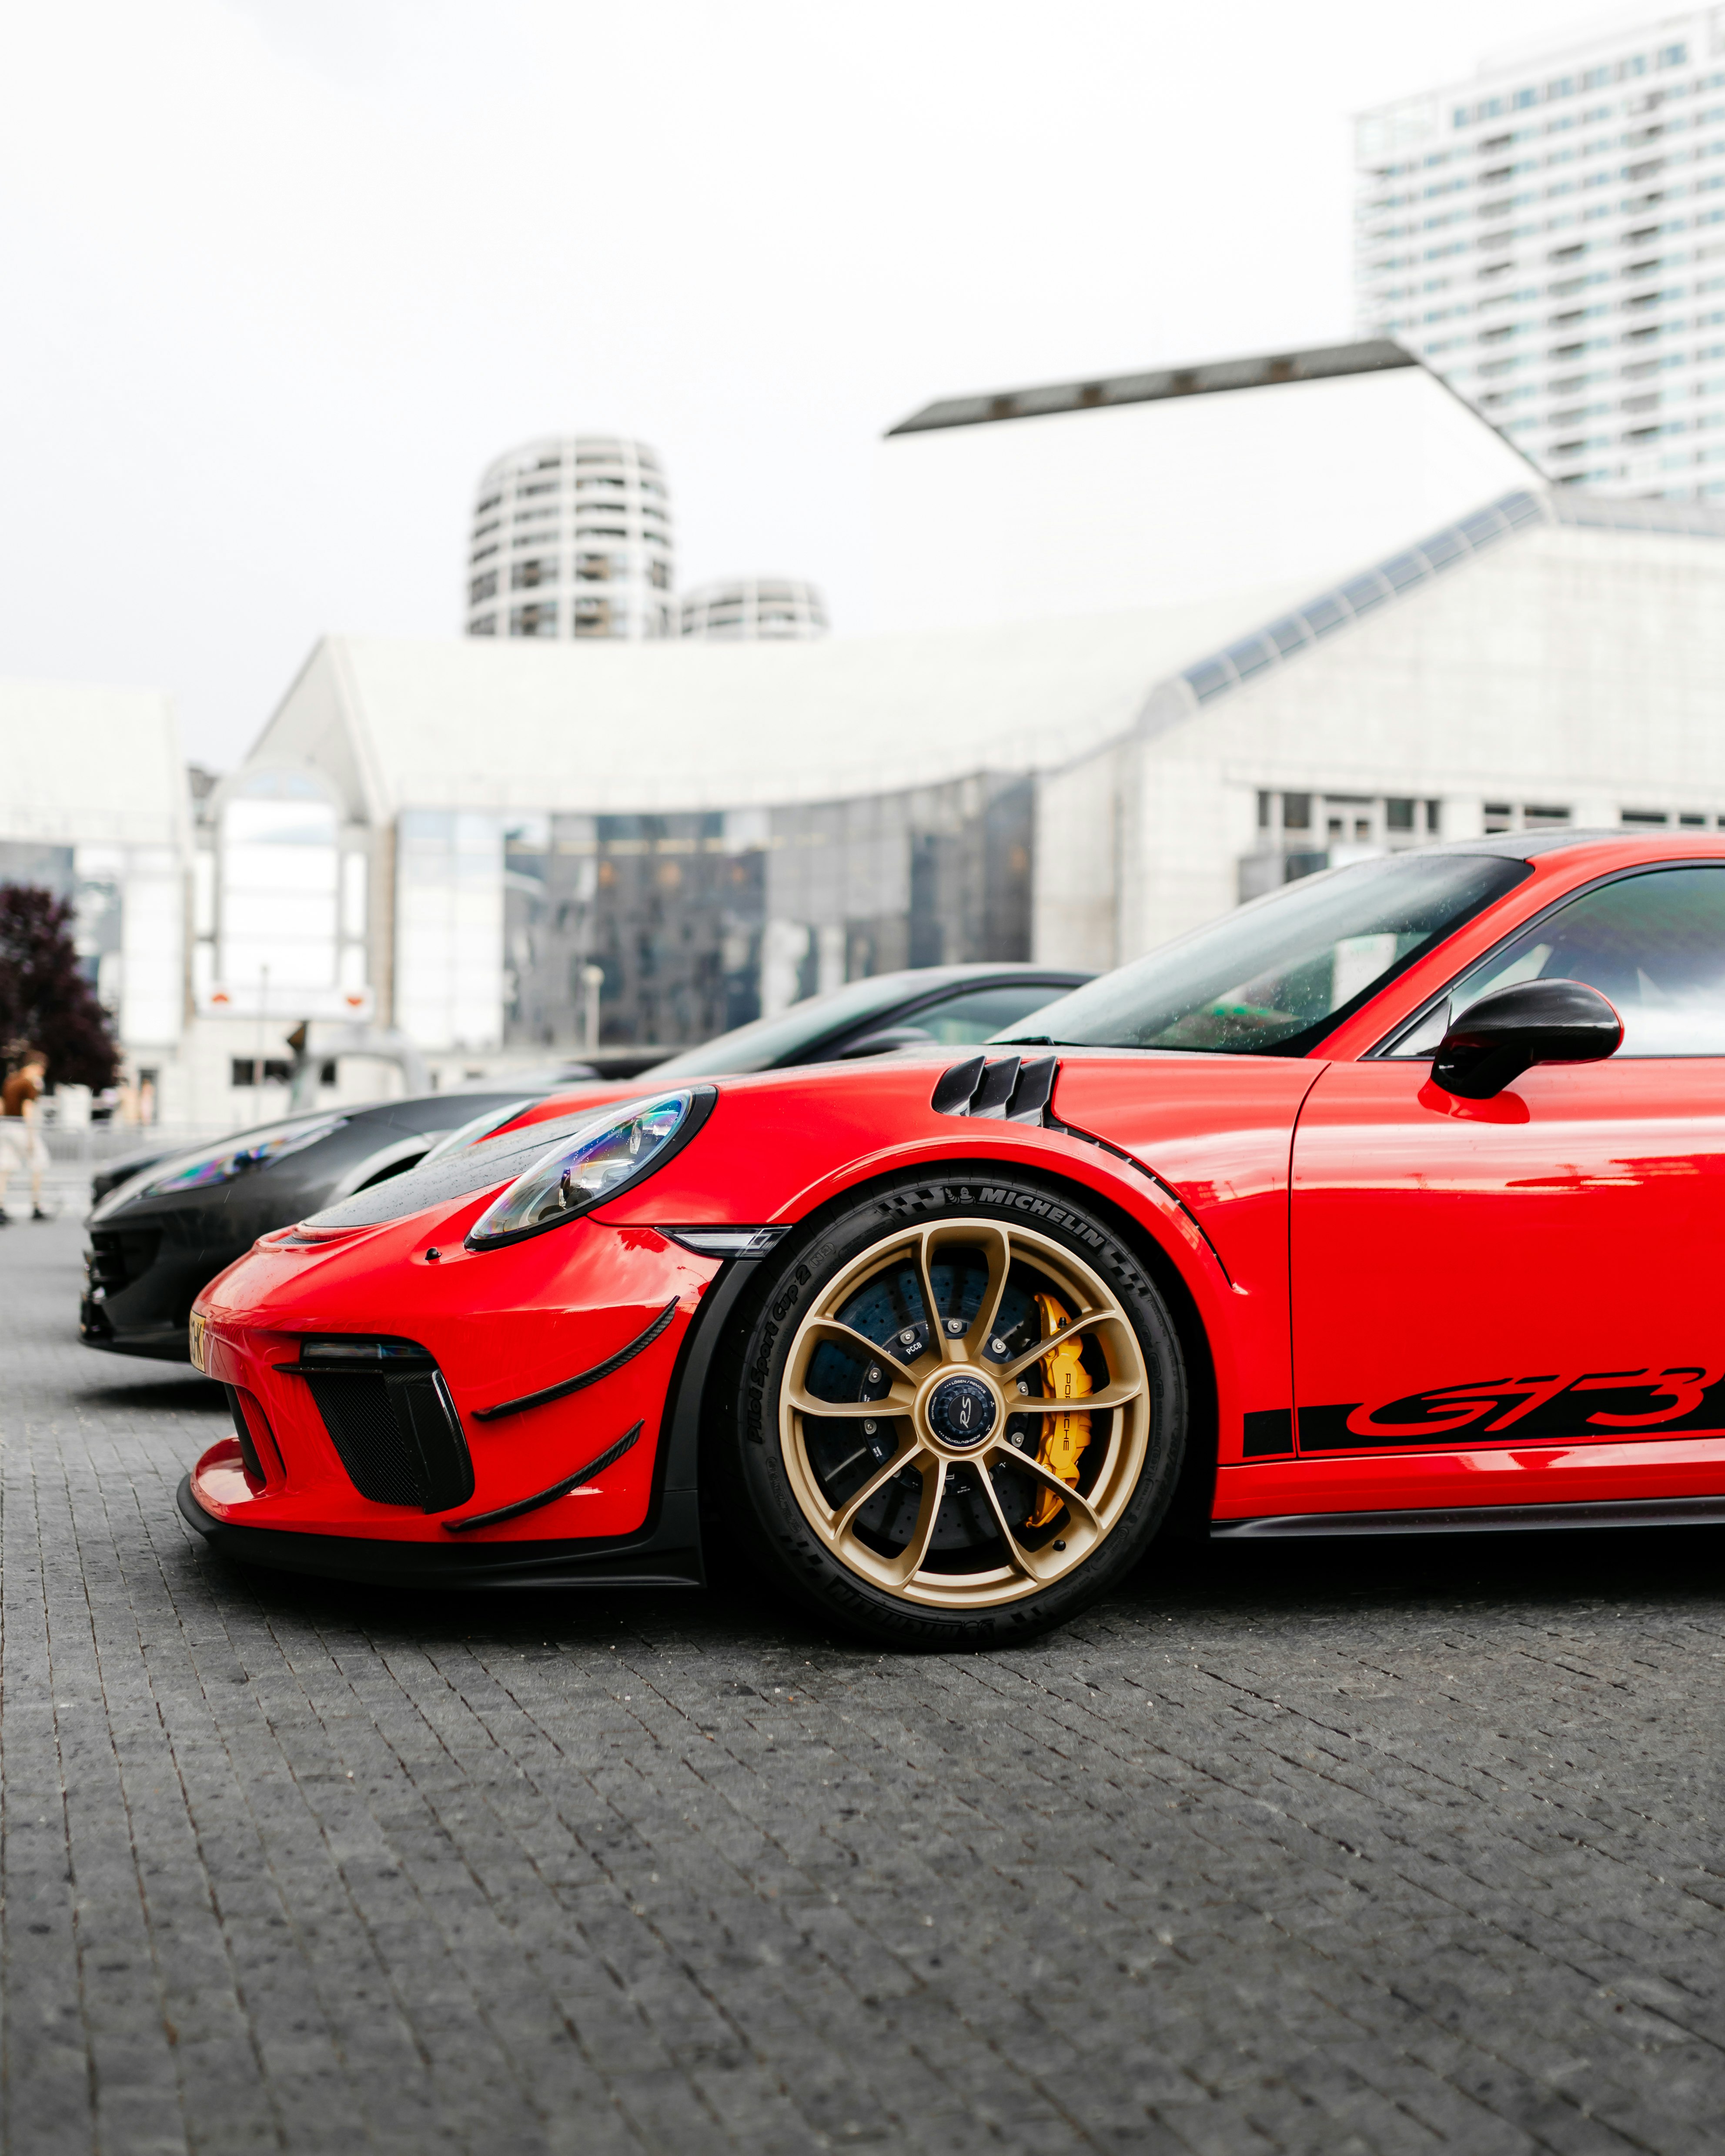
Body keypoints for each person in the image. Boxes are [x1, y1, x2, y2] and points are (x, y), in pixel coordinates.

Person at [0, 1043, 51, 1223]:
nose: (42, 1073)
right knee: (39, 1162)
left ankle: (1, 1207)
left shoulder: (11, 1081)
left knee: (5, 1167)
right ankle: (36, 1206)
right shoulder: (29, 1085)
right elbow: (28, 1110)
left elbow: (2, 1105)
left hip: (6, 1127)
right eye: (42, 1068)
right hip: (21, 1128)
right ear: (35, 1066)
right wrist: (31, 1138)